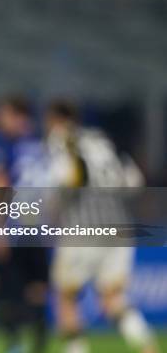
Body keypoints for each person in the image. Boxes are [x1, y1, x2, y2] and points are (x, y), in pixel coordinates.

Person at [45, 100, 158, 353]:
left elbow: (67, 180)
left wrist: (53, 209)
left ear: (55, 120)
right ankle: (146, 345)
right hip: (118, 229)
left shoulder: (63, 141)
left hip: (83, 228)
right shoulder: (104, 140)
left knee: (65, 296)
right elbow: (134, 183)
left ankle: (76, 351)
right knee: (113, 299)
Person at [0, 96, 49, 353]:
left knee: (9, 291)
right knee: (38, 290)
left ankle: (15, 346)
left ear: (16, 115)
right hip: (41, 229)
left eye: (2, 115)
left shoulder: (3, 144)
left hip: (17, 228)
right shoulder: (42, 145)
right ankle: (39, 347)